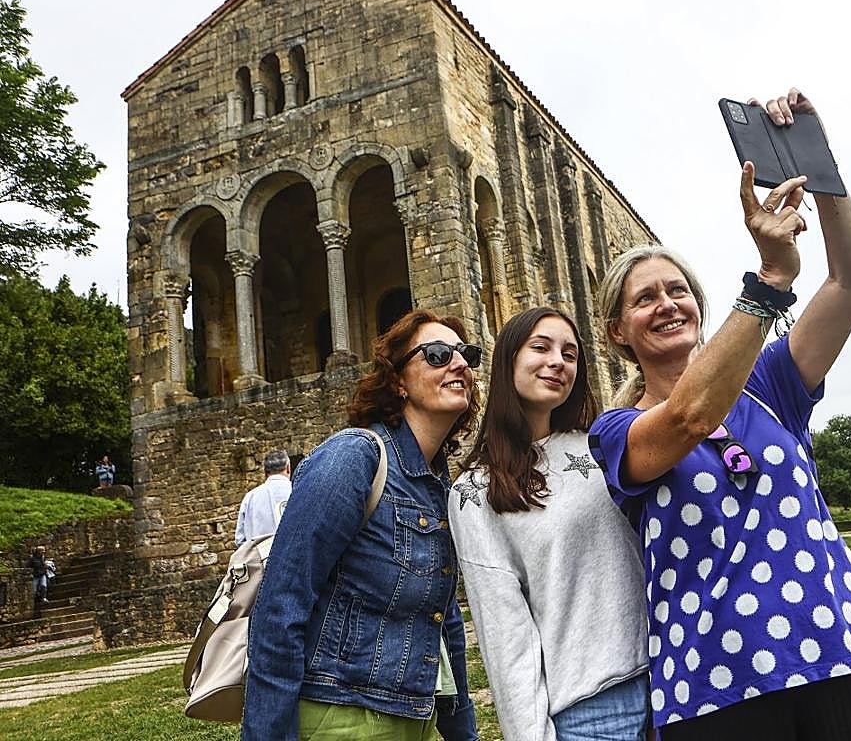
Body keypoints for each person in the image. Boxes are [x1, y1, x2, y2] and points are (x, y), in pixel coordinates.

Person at [588, 88, 851, 739]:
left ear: (700, 306)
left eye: (678, 290)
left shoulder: (769, 382)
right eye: (645, 298)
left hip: (835, 651)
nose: (667, 303)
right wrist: (769, 281)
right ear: (618, 331)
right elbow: (689, 418)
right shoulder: (616, 432)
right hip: (717, 685)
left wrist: (817, 167)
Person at [243, 309, 481, 741]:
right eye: (438, 354)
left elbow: (444, 621)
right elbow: (280, 606)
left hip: (416, 716)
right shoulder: (353, 457)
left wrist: (463, 732)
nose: (460, 363)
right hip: (341, 716)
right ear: (398, 380)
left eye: (467, 354)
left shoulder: (437, 484)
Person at [451, 307, 649, 741]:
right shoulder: (476, 491)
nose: (558, 361)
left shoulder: (604, 444)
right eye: (540, 348)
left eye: (570, 354)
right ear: (508, 360)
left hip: (671, 683)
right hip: (589, 713)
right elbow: (506, 635)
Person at [234, 448, 293, 546]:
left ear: (265, 472)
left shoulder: (250, 498)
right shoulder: (300, 491)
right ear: (288, 468)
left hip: (261, 554)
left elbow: (240, 540)